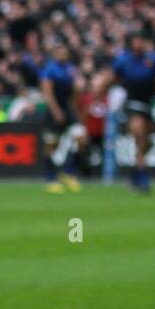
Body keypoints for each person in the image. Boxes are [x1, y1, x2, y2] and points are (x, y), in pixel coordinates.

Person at [108, 30, 155, 193]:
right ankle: (143, 179)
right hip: (132, 103)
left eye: (141, 41)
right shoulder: (124, 60)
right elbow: (113, 77)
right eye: (136, 41)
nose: (138, 45)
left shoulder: (152, 60)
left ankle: (135, 172)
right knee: (139, 136)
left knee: (147, 141)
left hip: (148, 103)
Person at [40, 41, 87, 194]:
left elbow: (74, 93)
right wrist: (56, 111)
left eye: (65, 52)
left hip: (68, 108)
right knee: (51, 144)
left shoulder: (71, 70)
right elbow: (47, 92)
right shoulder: (49, 69)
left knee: (81, 138)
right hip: (55, 109)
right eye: (60, 51)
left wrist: (76, 111)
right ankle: (50, 178)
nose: (62, 54)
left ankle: (68, 172)